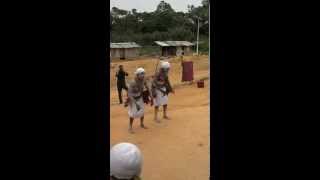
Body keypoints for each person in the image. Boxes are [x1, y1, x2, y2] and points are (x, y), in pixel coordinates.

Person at [126, 68, 152, 134]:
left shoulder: (143, 80)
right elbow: (129, 94)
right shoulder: (132, 82)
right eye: (141, 74)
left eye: (144, 73)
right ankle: (130, 127)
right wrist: (135, 103)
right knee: (133, 114)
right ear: (137, 75)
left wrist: (151, 97)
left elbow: (148, 88)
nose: (143, 75)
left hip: (140, 98)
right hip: (133, 100)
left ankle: (142, 124)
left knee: (142, 112)